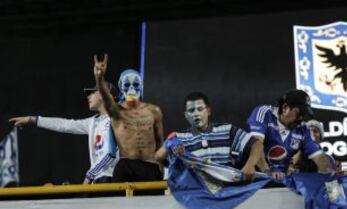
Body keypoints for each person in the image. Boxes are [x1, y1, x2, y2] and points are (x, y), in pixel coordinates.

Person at [9, 82, 119, 184]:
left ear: (105, 94)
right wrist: (33, 119)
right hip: (98, 179)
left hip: (111, 177)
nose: (88, 96)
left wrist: (90, 175)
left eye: (92, 92)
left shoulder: (119, 120)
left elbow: (111, 154)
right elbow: (64, 125)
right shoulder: (93, 122)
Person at [155, 91, 263, 182]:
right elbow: (158, 156)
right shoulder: (179, 137)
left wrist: (250, 164)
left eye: (200, 109)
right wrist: (173, 147)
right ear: (186, 115)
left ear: (208, 111)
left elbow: (257, 144)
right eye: (191, 111)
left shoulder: (227, 130)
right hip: (198, 196)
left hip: (227, 192)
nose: (196, 114)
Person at [93, 54, 164, 183]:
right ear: (121, 86)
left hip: (150, 167)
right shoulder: (116, 111)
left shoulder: (154, 111)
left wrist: (163, 168)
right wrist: (99, 77)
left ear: (141, 86)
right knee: (122, 203)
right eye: (127, 84)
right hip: (126, 167)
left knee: (154, 203)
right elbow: (106, 97)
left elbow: (160, 142)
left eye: (135, 84)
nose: (131, 88)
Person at [246, 89, 334, 180]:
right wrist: (267, 171)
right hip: (255, 179)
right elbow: (255, 144)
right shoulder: (263, 113)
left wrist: (329, 171)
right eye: (299, 113)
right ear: (285, 108)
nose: (301, 118)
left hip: (283, 183)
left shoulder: (303, 129)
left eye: (304, 115)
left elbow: (319, 156)